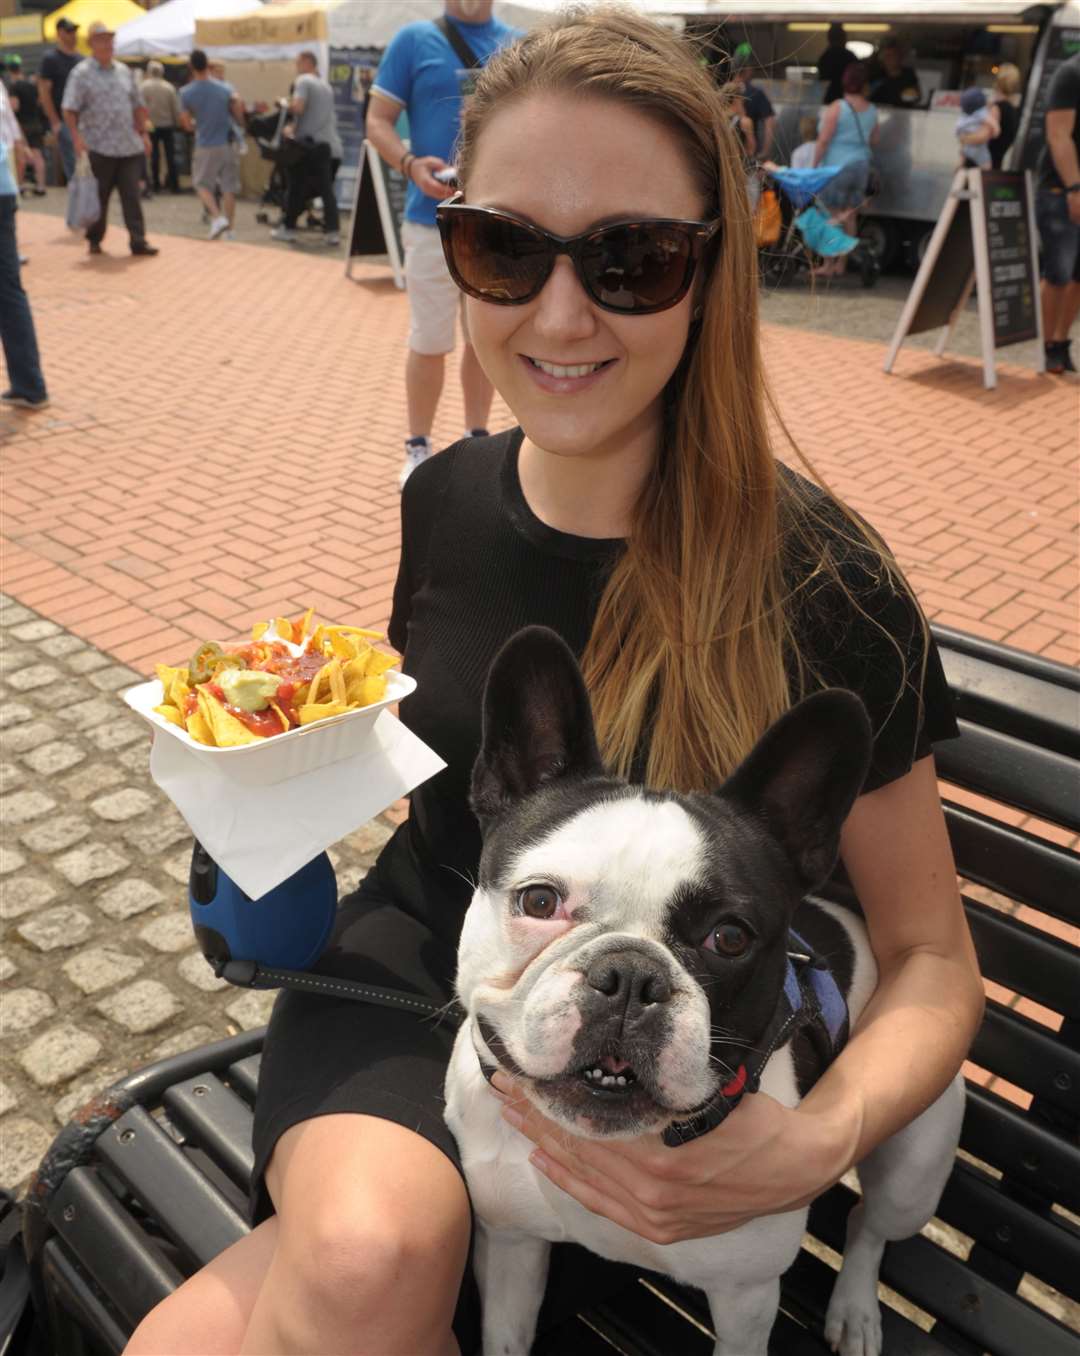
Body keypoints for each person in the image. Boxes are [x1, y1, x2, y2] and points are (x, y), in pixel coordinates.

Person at [125, 10, 983, 1356]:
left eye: (633, 258)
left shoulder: (823, 586)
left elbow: (933, 958)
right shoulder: (452, 492)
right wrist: (262, 788)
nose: (561, 311)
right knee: (360, 1258)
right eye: (506, 248)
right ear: (454, 249)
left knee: (329, 1282)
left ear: (712, 276)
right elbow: (439, 777)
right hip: (425, 961)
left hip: (673, 1066)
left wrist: (816, 1138)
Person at [365, 0, 516, 488]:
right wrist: (409, 164)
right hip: (428, 220)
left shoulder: (514, 43)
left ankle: (477, 439)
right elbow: (376, 120)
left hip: (492, 220)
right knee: (430, 340)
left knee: (486, 337)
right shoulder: (413, 39)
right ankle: (418, 445)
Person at [62, 21, 158, 258]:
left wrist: (144, 134)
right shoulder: (81, 73)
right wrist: (76, 138)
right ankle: (94, 239)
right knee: (100, 197)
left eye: (110, 39)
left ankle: (138, 240)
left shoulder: (124, 71)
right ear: (91, 43)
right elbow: (69, 109)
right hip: (99, 146)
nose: (108, 44)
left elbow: (138, 106)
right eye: (102, 39)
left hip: (128, 145)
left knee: (132, 197)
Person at [1, 81, 49, 411]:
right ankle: (29, 383)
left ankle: (29, 383)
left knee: (8, 291)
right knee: (8, 290)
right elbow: (14, 138)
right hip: (3, 190)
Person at [1034, 51, 1080, 375]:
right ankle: (1047, 344)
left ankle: (1062, 342)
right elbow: (1058, 135)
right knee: (1058, 274)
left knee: (1078, 277)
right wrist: (1074, 188)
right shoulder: (1071, 72)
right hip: (1061, 192)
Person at [270, 50, 342, 248]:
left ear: (306, 62)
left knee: (295, 187)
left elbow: (298, 108)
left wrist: (284, 104)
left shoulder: (303, 81)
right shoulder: (326, 86)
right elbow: (315, 116)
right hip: (328, 145)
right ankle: (333, 232)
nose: (296, 67)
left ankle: (288, 228)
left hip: (308, 145)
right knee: (326, 190)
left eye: (297, 62)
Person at [813, 60, 879, 276]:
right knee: (850, 216)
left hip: (837, 167)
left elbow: (823, 140)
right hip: (861, 167)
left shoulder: (837, 108)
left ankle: (828, 265)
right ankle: (842, 264)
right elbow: (874, 140)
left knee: (830, 215)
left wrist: (814, 167)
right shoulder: (872, 110)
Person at [178, 48, 245, 241]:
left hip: (206, 143)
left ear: (191, 67)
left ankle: (217, 217)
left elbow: (185, 122)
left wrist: (195, 125)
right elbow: (237, 106)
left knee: (201, 183)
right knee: (228, 187)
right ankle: (230, 231)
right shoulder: (225, 88)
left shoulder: (186, 92)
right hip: (227, 142)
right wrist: (239, 122)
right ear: (208, 64)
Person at [37, 16, 81, 184]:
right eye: (69, 31)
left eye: (74, 31)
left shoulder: (81, 59)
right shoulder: (50, 59)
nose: (73, 35)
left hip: (84, 121)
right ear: (60, 33)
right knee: (74, 165)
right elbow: (44, 92)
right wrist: (55, 122)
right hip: (65, 121)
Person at [139, 60, 180, 194]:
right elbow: (175, 108)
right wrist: (176, 122)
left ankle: (155, 184)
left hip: (151, 125)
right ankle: (174, 185)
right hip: (167, 124)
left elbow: (140, 108)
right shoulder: (169, 87)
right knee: (170, 155)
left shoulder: (143, 87)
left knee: (154, 155)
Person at [9, 57, 47, 195]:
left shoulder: (13, 86)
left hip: (22, 126)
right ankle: (41, 186)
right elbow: (40, 102)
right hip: (35, 123)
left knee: (21, 156)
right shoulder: (31, 85)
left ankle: (21, 186)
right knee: (38, 155)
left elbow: (14, 106)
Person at [732, 41, 775, 161]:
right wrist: (765, 153)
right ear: (748, 69)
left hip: (724, 157)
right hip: (746, 157)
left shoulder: (723, 91)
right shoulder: (756, 93)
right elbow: (770, 122)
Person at [870, 37, 922, 109]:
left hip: (902, 114)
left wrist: (911, 96)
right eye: (885, 56)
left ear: (899, 58)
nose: (887, 59)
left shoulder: (908, 75)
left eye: (891, 56)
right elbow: (865, 96)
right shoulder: (876, 75)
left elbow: (917, 96)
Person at [988, 63, 1022, 171]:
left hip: (984, 164)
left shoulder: (997, 108)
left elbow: (984, 137)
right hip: (997, 164)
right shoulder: (1014, 110)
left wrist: (965, 138)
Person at [955, 87, 999, 170]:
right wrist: (996, 131)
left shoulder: (965, 115)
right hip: (978, 148)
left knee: (962, 161)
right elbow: (991, 123)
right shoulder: (981, 113)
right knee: (986, 164)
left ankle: (959, 169)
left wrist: (961, 137)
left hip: (966, 146)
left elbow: (958, 131)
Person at [817, 22, 856, 105]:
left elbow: (822, 79)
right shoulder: (850, 56)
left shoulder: (825, 57)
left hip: (829, 99)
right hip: (848, 99)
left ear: (829, 39)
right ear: (844, 38)